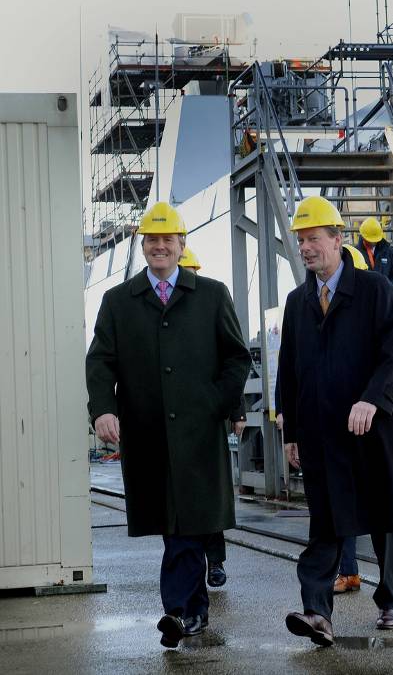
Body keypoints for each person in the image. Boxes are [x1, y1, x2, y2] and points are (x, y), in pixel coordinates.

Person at [86, 202, 251, 649]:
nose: (160, 246)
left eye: (168, 240)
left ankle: (180, 611)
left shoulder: (212, 295)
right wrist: (103, 409)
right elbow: (100, 361)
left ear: (181, 245)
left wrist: (218, 403)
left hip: (198, 434)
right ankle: (190, 610)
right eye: (152, 240)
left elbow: (238, 357)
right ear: (143, 247)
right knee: (176, 523)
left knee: (187, 524)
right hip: (148, 435)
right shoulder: (119, 302)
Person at [279, 196, 393, 647]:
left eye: (314, 238)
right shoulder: (298, 303)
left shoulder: (375, 290)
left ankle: (389, 598)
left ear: (337, 239)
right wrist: (291, 433)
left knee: (383, 517)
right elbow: (288, 371)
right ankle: (317, 613)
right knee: (327, 522)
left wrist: (373, 400)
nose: (306, 247)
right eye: (301, 240)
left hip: (374, 431)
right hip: (323, 434)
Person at [334, 245, 393, 595]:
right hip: (345, 423)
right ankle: (349, 571)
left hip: (385, 417)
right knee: (344, 502)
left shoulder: (382, 305)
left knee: (386, 503)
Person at [178, 246, 246, 589]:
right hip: (183, 420)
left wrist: (234, 410)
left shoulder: (211, 302)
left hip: (210, 418)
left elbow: (230, 363)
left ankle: (215, 562)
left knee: (211, 495)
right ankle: (195, 565)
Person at [355, 217, 393, 291]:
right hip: (363, 298)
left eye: (374, 240)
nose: (372, 242)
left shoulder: (390, 253)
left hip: (384, 298)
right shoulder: (355, 253)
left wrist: (388, 289)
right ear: (363, 237)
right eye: (370, 240)